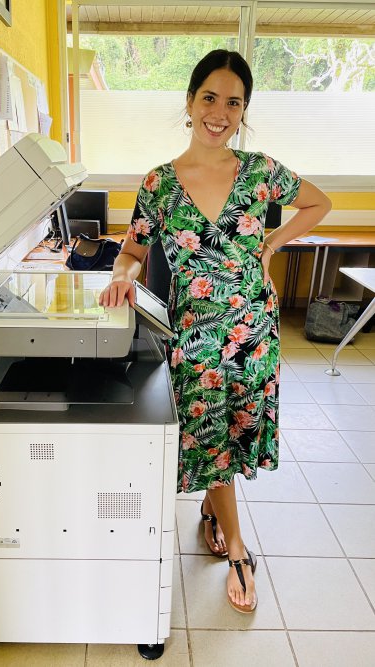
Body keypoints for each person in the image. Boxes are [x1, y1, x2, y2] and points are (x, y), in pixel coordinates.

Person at [99, 49, 331, 614]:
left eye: (234, 102)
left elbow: (318, 203)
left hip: (253, 329)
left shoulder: (261, 172)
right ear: (190, 102)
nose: (220, 113)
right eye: (210, 98)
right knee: (213, 441)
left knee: (233, 435)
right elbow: (132, 249)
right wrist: (122, 276)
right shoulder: (159, 184)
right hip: (197, 338)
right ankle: (239, 552)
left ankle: (212, 510)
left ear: (243, 110)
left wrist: (271, 244)